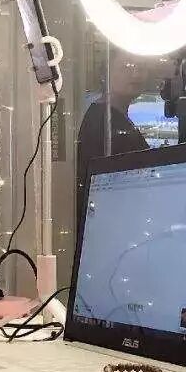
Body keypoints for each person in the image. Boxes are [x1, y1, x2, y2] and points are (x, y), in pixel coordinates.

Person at [75, 47, 150, 234]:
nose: (136, 74)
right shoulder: (104, 122)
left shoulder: (111, 118)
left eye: (141, 67)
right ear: (105, 74)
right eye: (126, 67)